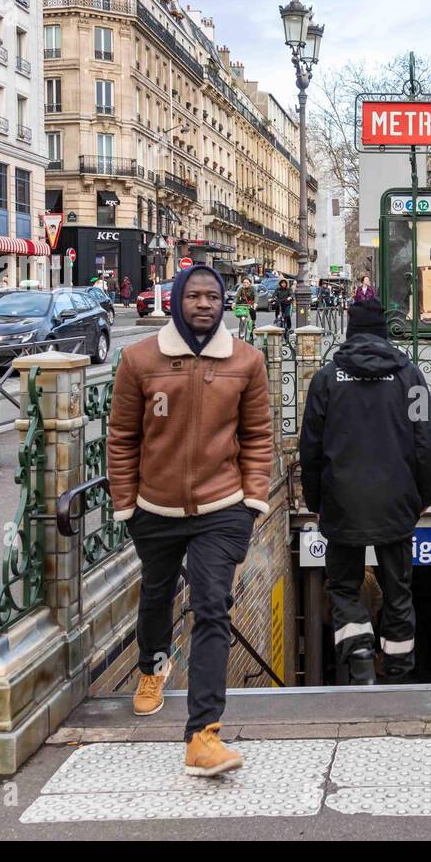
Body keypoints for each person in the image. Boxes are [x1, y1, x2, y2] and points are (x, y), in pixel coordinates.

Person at [107, 265, 272, 777]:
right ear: (177, 300)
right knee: (157, 593)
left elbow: (259, 437)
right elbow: (121, 438)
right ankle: (152, 667)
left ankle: (203, 734)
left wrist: (253, 504)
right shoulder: (138, 359)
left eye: (213, 296)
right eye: (194, 295)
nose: (204, 303)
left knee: (213, 608)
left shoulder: (246, 362)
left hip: (222, 509)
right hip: (155, 509)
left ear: (225, 303)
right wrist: (126, 506)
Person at [299, 299, 431, 685]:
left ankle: (360, 654)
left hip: (342, 503)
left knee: (344, 587)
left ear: (349, 333)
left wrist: (315, 501)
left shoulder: (326, 380)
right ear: (385, 333)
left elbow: (310, 449)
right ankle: (399, 668)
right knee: (398, 587)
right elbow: (429, 446)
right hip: (396, 503)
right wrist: (422, 498)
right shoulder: (409, 377)